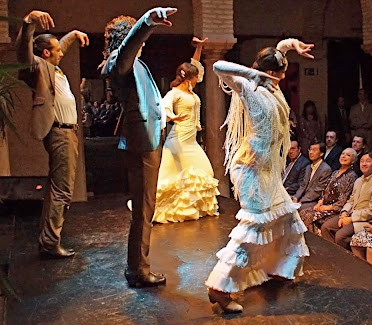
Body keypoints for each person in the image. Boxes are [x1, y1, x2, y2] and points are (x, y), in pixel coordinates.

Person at [204, 38, 314, 312]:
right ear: (268, 71)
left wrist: (290, 46)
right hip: (252, 167)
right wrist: (250, 73)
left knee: (286, 215)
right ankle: (219, 288)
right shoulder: (248, 86)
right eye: (277, 72)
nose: (280, 76)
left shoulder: (272, 88)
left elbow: (279, 50)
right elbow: (218, 65)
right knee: (253, 227)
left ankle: (277, 267)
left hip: (269, 169)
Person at [102, 7, 177, 287]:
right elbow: (128, 50)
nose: (143, 44)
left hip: (148, 140)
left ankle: (137, 267)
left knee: (147, 209)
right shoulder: (120, 61)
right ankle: (138, 270)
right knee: (144, 211)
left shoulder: (137, 64)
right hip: (141, 143)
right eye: (138, 39)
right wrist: (147, 22)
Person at [17, 10, 89, 259]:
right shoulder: (38, 67)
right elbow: (24, 52)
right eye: (56, 49)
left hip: (68, 133)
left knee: (59, 187)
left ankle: (48, 240)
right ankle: (49, 243)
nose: (61, 52)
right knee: (62, 189)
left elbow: (62, 47)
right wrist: (29, 22)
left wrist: (72, 35)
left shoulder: (53, 68)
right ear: (46, 53)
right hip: (58, 133)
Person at [153, 37, 219, 223]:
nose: (198, 80)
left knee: (205, 171)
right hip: (179, 140)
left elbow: (196, 65)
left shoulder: (190, 92)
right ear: (188, 79)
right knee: (173, 178)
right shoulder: (175, 93)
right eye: (195, 78)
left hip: (191, 141)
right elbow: (163, 106)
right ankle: (169, 210)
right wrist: (172, 117)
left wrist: (198, 48)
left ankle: (191, 209)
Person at [321, 152, 372, 250]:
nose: (364, 164)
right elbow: (351, 200)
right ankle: (332, 254)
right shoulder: (358, 180)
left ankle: (344, 260)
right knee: (326, 227)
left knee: (340, 236)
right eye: (362, 161)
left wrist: (351, 219)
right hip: (350, 214)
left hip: (363, 220)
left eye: (368, 161)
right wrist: (344, 212)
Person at [299, 148, 358, 235]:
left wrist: (327, 208)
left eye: (348, 155)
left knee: (309, 216)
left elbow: (344, 198)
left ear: (353, 160)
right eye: (343, 154)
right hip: (324, 205)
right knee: (303, 212)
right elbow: (325, 189)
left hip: (335, 209)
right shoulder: (335, 172)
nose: (344, 156)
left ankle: (316, 243)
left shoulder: (352, 176)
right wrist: (320, 202)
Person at [293, 143, 332, 209]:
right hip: (303, 198)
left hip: (314, 200)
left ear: (321, 154)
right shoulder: (308, 167)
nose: (311, 152)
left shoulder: (326, 169)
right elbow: (303, 185)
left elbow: (317, 191)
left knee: (294, 209)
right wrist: (296, 197)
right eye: (310, 149)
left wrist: (301, 201)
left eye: (314, 150)